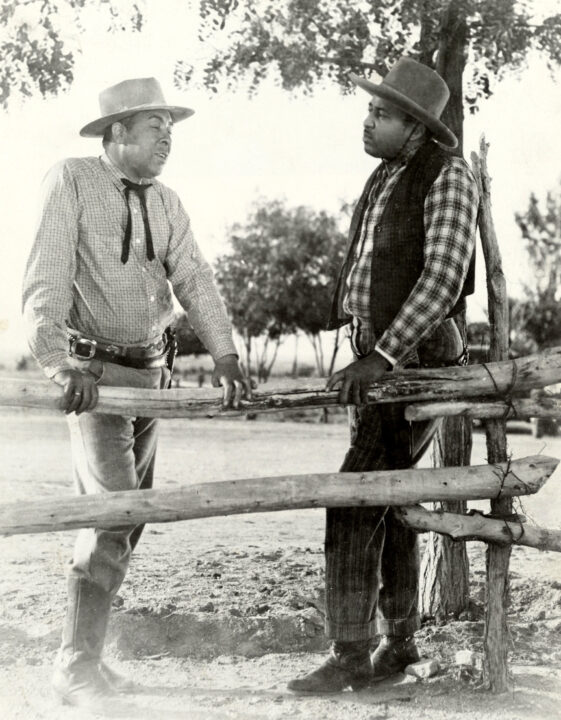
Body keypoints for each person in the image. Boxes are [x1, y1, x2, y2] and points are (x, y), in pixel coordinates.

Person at [22, 77, 249, 709]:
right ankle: (73, 663)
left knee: (130, 516)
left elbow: (195, 277)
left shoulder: (168, 202)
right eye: (155, 127)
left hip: (153, 377)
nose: (167, 139)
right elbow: (43, 274)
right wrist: (57, 362)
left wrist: (226, 354)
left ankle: (87, 655)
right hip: (95, 382)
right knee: (115, 514)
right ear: (117, 133)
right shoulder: (71, 180)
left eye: (171, 129)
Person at [288, 57, 479, 694]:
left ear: (417, 127)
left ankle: (349, 654)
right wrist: (361, 341)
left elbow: (442, 279)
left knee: (352, 496)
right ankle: (398, 643)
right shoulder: (382, 179)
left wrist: (382, 357)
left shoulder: (448, 175)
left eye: (380, 114)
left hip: (416, 362)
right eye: (370, 110)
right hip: (379, 357)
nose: (367, 122)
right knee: (390, 495)